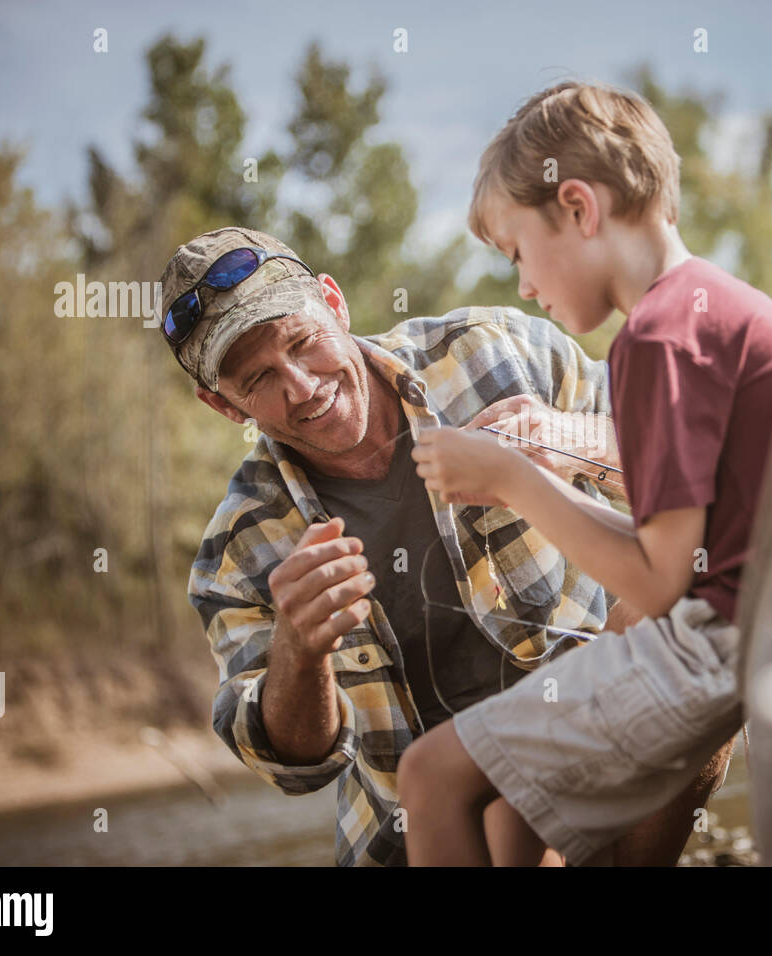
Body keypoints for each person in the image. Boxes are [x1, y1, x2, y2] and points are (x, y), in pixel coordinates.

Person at [161, 226, 732, 866]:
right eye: (259, 378)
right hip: (416, 842)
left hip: (595, 763)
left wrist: (572, 441)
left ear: (334, 302)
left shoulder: (496, 352)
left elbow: (703, 472)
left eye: (303, 342)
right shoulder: (236, 551)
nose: (301, 386)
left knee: (695, 612)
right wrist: (300, 651)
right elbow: (296, 767)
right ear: (222, 405)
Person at [401, 81, 772, 865]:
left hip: (717, 645)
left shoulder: (657, 340)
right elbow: (691, 549)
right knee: (511, 817)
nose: (523, 286)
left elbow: (661, 581)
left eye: (520, 252)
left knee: (433, 778)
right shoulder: (725, 309)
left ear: (579, 209)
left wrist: (509, 479)